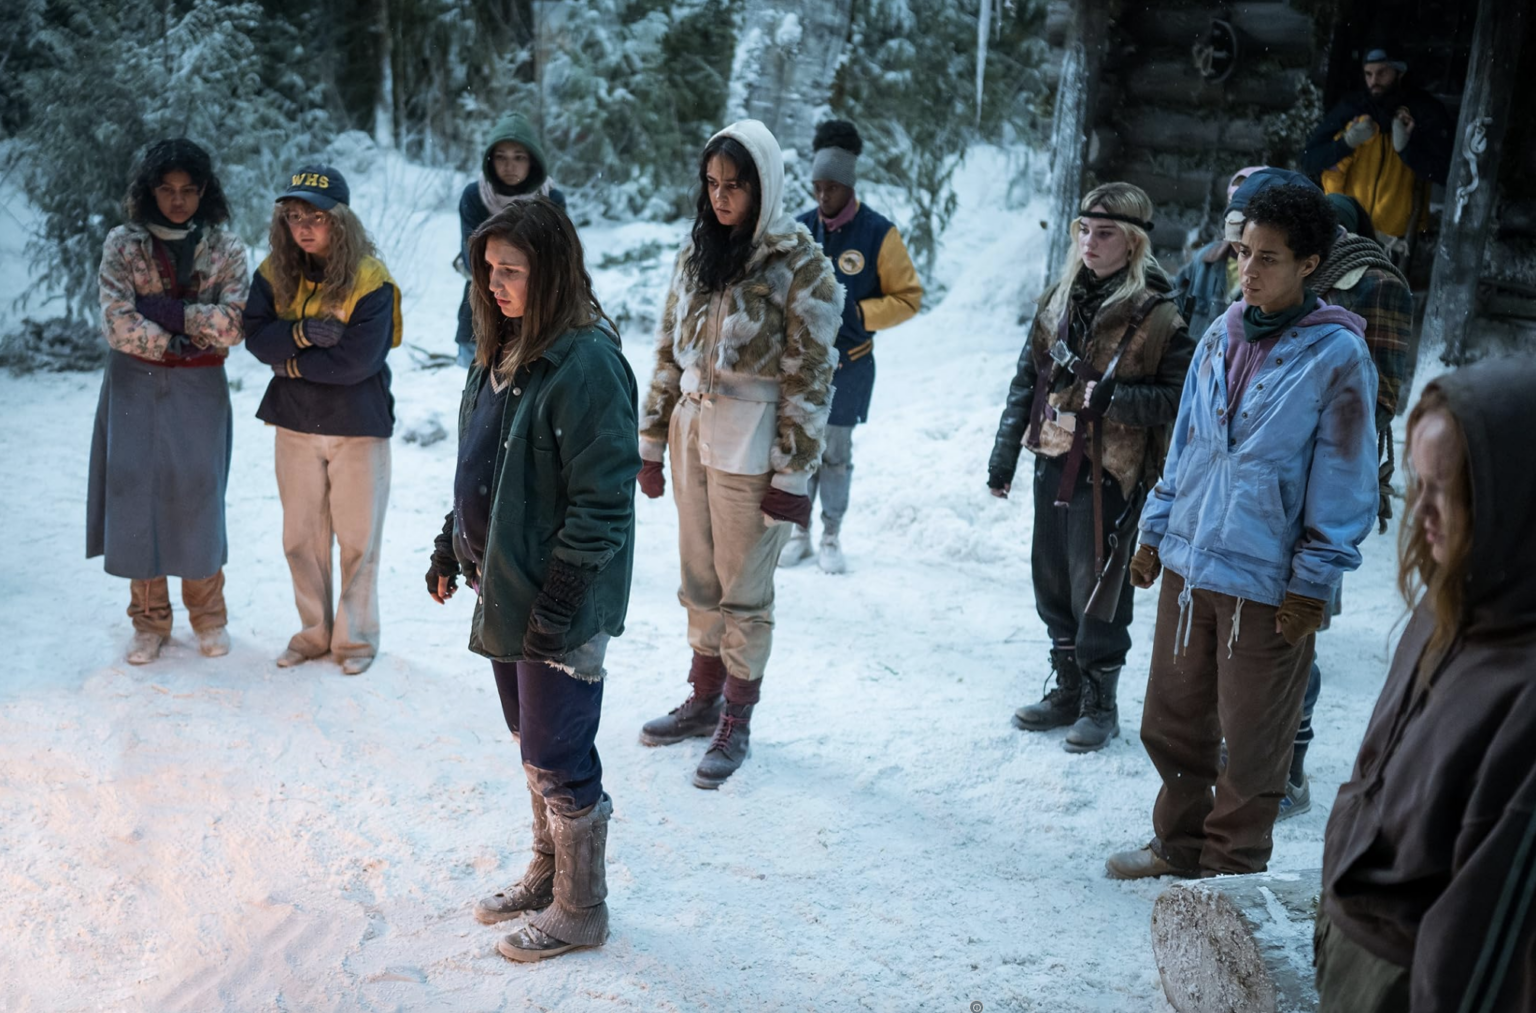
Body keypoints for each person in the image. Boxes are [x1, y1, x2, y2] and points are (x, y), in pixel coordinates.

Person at [1108, 183, 1379, 880]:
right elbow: (1187, 448)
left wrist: (1313, 584)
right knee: (1171, 721)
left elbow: (1345, 482)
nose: (1248, 271)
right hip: (1191, 566)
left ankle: (1230, 875)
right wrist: (1154, 531)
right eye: (1241, 253)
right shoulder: (1223, 332)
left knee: (1254, 740)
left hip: (1267, 581)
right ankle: (1179, 846)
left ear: (1309, 264)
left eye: (1268, 258)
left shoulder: (1337, 357)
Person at [424, 197, 637, 962]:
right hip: (506, 586)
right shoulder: (504, 346)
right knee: (531, 741)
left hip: (560, 598)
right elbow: (483, 462)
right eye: (488, 270)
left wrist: (564, 599)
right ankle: (548, 874)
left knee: (559, 749)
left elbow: (605, 497)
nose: (496, 284)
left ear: (549, 271)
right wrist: (451, 543)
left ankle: (582, 907)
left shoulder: (586, 362)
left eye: (511, 271)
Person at [1317, 359, 1536, 1012]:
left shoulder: (1525, 687)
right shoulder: (1446, 602)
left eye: (1448, 489)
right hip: (1354, 947)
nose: (1423, 513)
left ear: (1515, 499)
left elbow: (1488, 922)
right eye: (1418, 482)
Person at [635, 119, 841, 788]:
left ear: (765, 186)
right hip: (694, 430)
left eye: (736, 186)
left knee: (743, 589)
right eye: (713, 185)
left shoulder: (800, 264)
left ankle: (738, 716)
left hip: (753, 440)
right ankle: (705, 695)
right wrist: (651, 439)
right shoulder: (696, 252)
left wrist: (794, 471)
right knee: (698, 578)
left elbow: (811, 376)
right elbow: (668, 350)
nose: (721, 198)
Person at [989, 183, 1193, 753]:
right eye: (1083, 230)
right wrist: (1004, 455)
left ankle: (1101, 703)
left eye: (1104, 234)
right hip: (1051, 456)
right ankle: (1069, 689)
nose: (1089, 242)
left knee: (1098, 588)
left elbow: (1176, 399)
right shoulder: (1058, 297)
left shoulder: (1158, 316)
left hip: (1110, 470)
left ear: (1131, 244)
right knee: (1051, 579)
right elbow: (1026, 380)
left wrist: (1110, 400)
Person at [1277, 191, 1415, 821]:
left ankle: (1290, 763)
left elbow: (1383, 391)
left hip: (1328, 472)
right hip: (1272, 469)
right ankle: (1253, 748)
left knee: (1299, 619)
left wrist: (1317, 418)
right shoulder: (1290, 271)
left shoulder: (1379, 285)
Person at [89, 138, 249, 665]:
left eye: (187, 190)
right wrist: (176, 338)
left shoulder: (225, 247)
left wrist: (173, 315)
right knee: (136, 494)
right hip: (134, 383)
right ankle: (149, 620)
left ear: (204, 191)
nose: (177, 200)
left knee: (198, 492)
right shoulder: (123, 244)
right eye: (166, 189)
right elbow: (116, 318)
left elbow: (234, 322)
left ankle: (208, 616)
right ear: (149, 190)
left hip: (200, 389)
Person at [243, 166, 402, 676]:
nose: (305, 227)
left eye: (317, 217)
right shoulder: (274, 272)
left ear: (341, 221)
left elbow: (359, 361)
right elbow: (255, 337)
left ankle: (354, 642)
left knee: (358, 540)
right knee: (301, 539)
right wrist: (305, 333)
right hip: (294, 424)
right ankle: (313, 634)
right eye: (294, 217)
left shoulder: (370, 278)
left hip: (359, 426)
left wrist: (288, 361)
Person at [779, 119, 922, 573]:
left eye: (832, 189)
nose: (823, 198)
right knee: (799, 449)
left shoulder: (879, 233)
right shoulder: (799, 230)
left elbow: (909, 298)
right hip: (801, 365)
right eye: (817, 187)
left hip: (850, 366)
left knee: (836, 453)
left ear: (849, 186)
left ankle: (831, 533)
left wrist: (860, 315)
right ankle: (798, 531)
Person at [1301, 46, 1453, 255]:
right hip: (1348, 230)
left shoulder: (1422, 111)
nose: (1374, 81)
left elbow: (1444, 172)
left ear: (1399, 72)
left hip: (1397, 240)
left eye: (1382, 73)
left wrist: (1406, 149)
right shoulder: (1352, 109)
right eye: (1368, 74)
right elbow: (1310, 159)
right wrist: (1346, 143)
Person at [454, 113, 566, 368]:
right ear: (490, 161)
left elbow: (556, 263)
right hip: (481, 305)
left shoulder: (551, 200)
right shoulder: (475, 196)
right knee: (481, 396)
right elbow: (473, 259)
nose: (509, 166)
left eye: (519, 157)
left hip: (539, 312)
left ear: (533, 161)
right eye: (501, 157)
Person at [1172, 166, 1267, 341]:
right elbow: (1173, 305)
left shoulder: (1275, 271)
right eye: (1234, 209)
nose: (1240, 223)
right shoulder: (1205, 259)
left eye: (1248, 212)